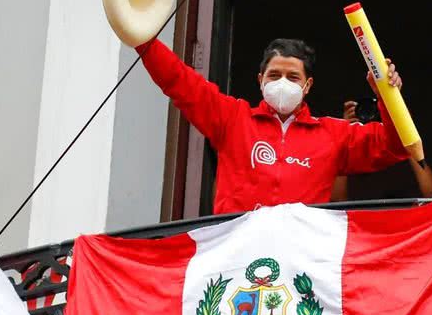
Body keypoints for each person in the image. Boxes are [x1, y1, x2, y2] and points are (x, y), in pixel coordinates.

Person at [137, 38, 410, 214]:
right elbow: (179, 81)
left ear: (307, 86)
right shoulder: (232, 118)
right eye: (274, 75)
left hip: (301, 263)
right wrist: (142, 38)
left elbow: (396, 145)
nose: (283, 83)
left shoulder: (333, 134)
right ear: (260, 80)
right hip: (234, 257)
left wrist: (387, 94)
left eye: (293, 77)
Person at [331, 99, 432, 201]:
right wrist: (344, 132)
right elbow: (338, 200)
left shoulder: (405, 155)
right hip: (361, 215)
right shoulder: (351, 154)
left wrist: (406, 134)